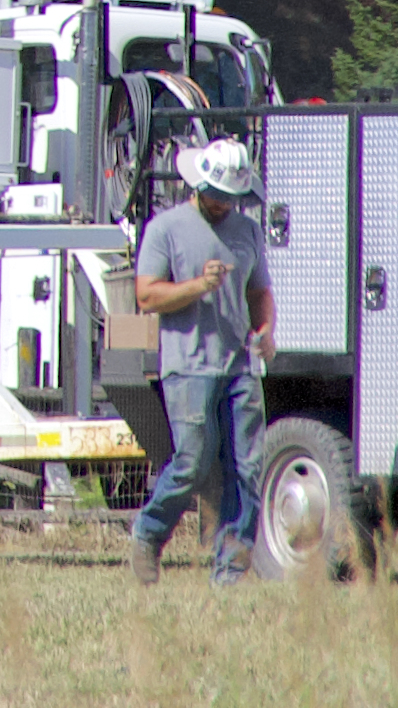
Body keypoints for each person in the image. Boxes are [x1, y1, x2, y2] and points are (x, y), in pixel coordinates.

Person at [130, 135, 274, 584]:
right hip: (187, 366)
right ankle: (149, 534)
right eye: (217, 195)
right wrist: (197, 286)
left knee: (247, 468)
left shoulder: (247, 230)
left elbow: (259, 291)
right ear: (199, 184)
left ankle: (229, 573)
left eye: (231, 197)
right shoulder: (165, 229)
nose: (223, 204)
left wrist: (266, 330)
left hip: (239, 366)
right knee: (192, 461)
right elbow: (146, 295)